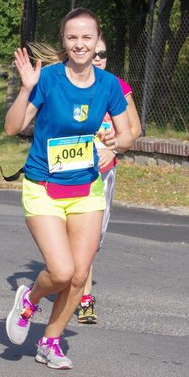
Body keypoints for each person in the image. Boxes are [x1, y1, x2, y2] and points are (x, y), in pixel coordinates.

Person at [3, 8, 134, 370]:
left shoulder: (109, 85)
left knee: (78, 275)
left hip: (87, 187)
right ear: (63, 40)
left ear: (97, 41)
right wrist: (26, 89)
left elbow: (127, 133)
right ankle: (30, 299)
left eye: (86, 37)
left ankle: (50, 342)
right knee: (60, 272)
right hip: (43, 185)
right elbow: (12, 128)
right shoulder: (47, 78)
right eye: (72, 37)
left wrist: (114, 143)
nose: (79, 44)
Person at [77, 36, 143, 324]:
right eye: (94, 53)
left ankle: (77, 286)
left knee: (93, 237)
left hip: (103, 171)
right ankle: (84, 297)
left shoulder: (117, 86)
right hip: (71, 169)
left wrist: (112, 149)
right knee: (76, 234)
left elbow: (134, 129)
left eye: (102, 54)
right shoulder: (71, 83)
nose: (98, 58)